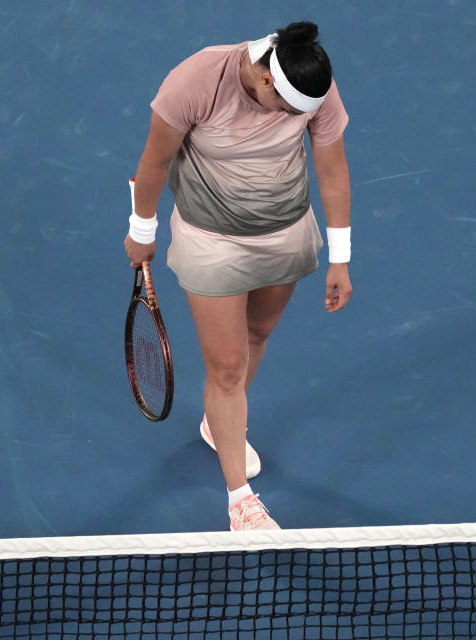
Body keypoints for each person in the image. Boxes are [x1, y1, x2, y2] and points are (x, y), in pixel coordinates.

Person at [124, 22, 353, 531]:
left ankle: (217, 420)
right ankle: (240, 500)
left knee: (256, 336)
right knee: (227, 367)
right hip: (212, 240)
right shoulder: (196, 81)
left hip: (286, 231)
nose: (298, 119)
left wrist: (340, 258)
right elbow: (155, 161)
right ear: (268, 83)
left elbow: (332, 169)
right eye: (292, 111)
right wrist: (142, 228)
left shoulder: (310, 82)